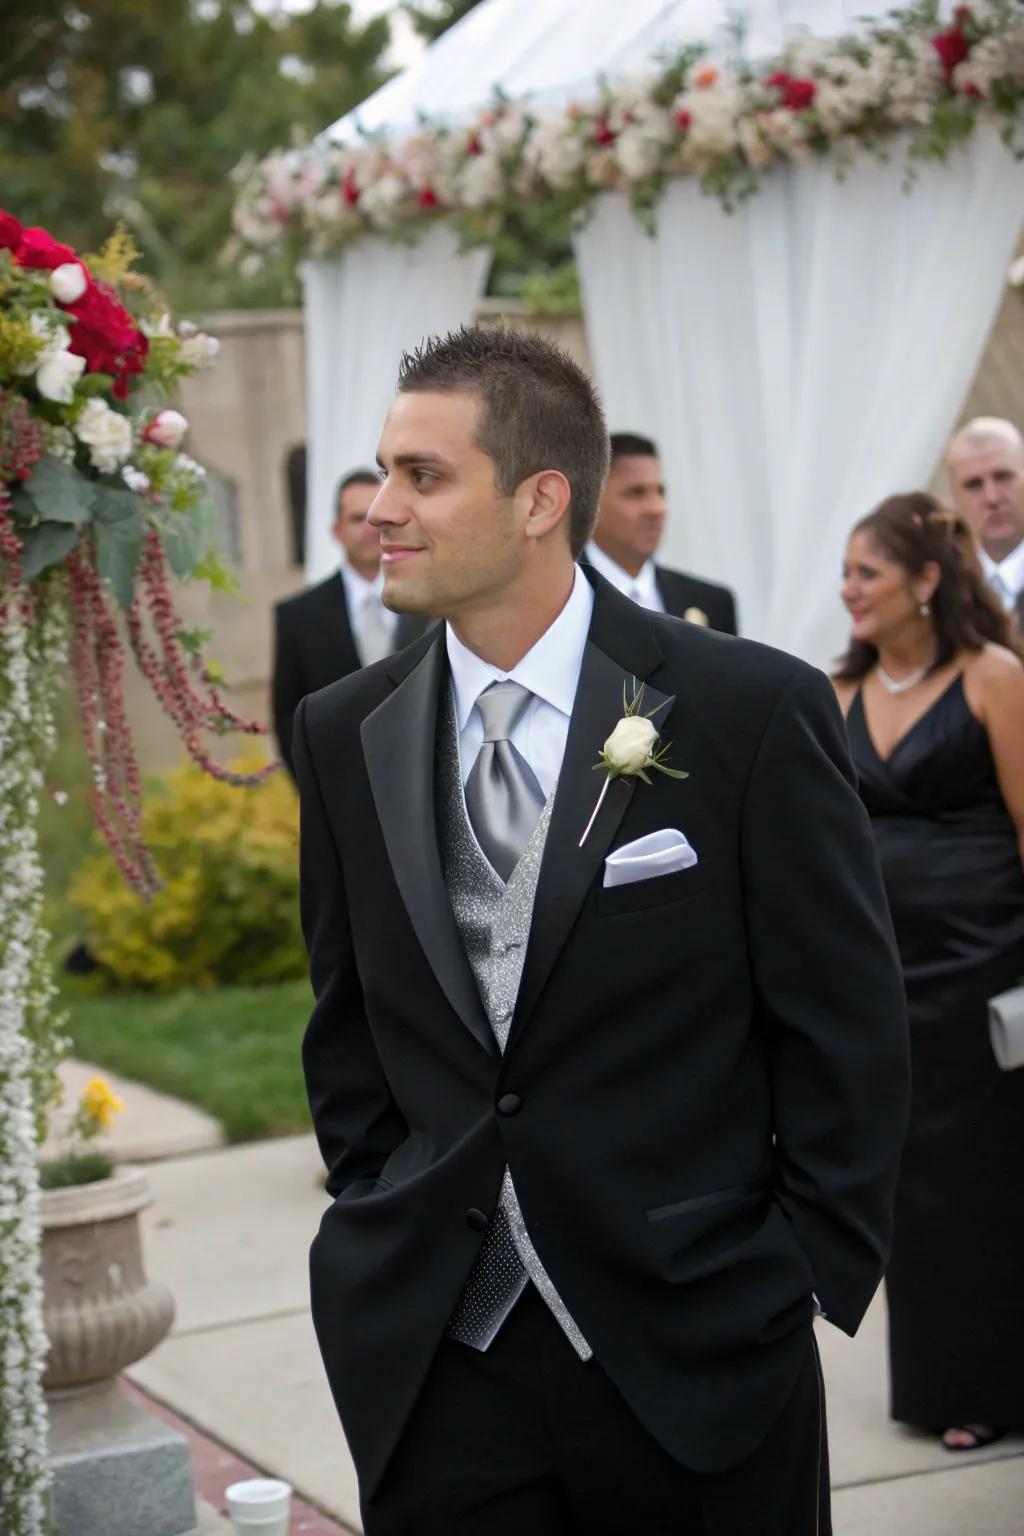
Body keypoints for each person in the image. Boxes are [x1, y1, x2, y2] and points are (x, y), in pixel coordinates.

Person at [295, 326, 909, 1535]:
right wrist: (377, 1221)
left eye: (424, 476)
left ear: (537, 499)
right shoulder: (341, 729)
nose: (379, 510)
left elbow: (847, 1025)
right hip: (440, 1358)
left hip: (698, 1350)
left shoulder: (747, 708)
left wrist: (795, 1274)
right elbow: (347, 1023)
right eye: (382, 473)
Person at [834, 492, 1024, 1453]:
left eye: (866, 573)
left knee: (993, 1182)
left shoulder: (994, 678)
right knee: (918, 1188)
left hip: (990, 974)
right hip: (888, 981)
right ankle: (948, 1381)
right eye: (846, 573)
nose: (848, 591)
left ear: (925, 581)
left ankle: (999, 1384)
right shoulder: (837, 694)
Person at [272, 468, 427, 774]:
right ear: (336, 531)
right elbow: (287, 718)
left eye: (377, 517)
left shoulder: (432, 601)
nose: (371, 528)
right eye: (358, 519)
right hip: (342, 790)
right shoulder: (297, 616)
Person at [583, 431, 738, 633]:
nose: (657, 509)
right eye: (636, 493)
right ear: (591, 501)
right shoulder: (556, 599)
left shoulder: (710, 603)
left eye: (660, 492)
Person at [946, 417, 1024, 628]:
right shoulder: (937, 586)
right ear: (954, 495)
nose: (992, 497)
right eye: (974, 485)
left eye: (1003, 477)